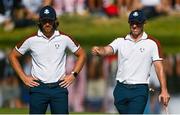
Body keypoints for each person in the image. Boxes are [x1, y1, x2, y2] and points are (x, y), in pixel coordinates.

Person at [8, 5, 86, 114]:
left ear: (55, 21)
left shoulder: (64, 38)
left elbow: (82, 54)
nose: (47, 24)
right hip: (38, 89)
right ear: (40, 22)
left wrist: (73, 75)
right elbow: (12, 55)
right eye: (44, 21)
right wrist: (23, 77)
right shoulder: (31, 39)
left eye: (50, 20)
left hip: (59, 88)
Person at [91, 9, 170, 114]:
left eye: (137, 23)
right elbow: (107, 49)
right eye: (132, 23)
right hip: (120, 89)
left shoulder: (152, 43)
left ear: (143, 23)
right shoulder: (120, 41)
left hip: (139, 89)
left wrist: (164, 90)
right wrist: (99, 50)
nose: (134, 26)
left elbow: (159, 67)